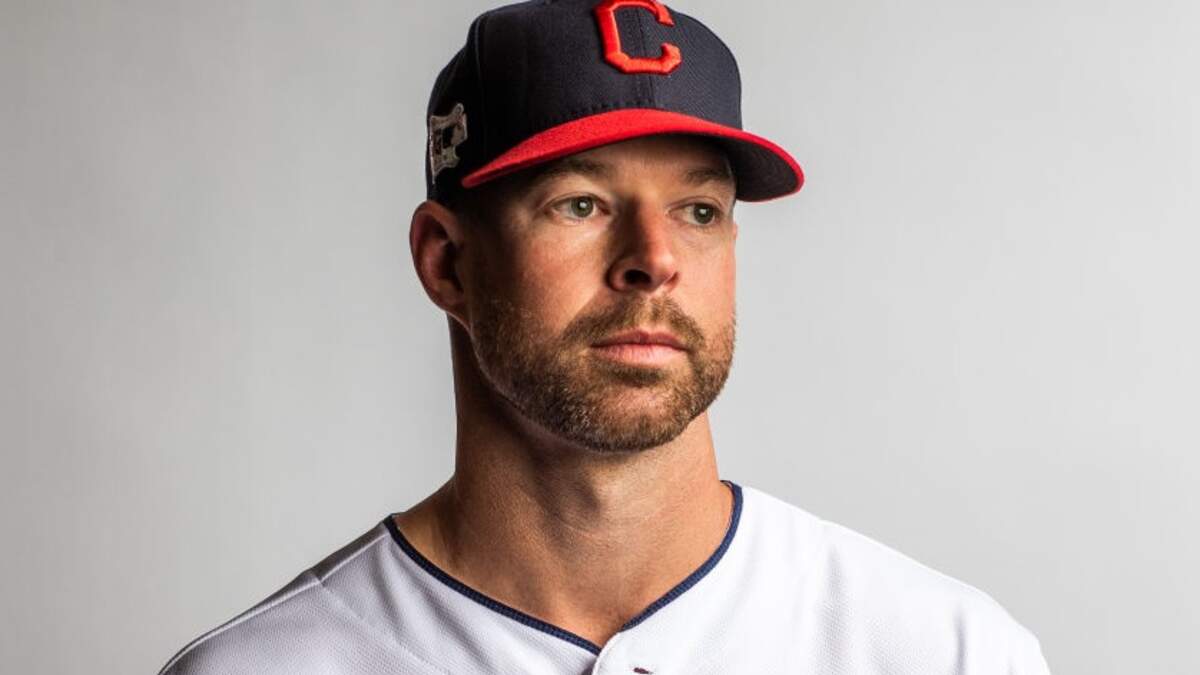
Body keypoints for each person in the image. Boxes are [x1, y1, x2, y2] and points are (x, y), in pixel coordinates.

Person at [159, 1, 1051, 672]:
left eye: (698, 210)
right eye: (580, 203)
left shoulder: (946, 651)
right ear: (447, 262)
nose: (653, 260)